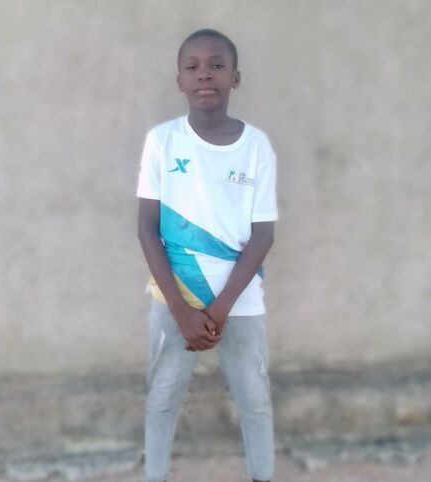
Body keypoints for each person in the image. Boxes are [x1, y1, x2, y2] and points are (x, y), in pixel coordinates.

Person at [136, 28, 278, 482]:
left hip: (239, 299)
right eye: (192, 66)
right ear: (179, 80)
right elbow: (146, 228)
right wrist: (183, 313)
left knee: (255, 401)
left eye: (217, 65)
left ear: (235, 77)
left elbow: (262, 235)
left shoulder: (256, 146)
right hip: (174, 299)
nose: (204, 74)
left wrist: (219, 309)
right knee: (162, 399)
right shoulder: (162, 141)